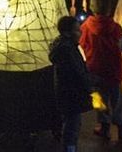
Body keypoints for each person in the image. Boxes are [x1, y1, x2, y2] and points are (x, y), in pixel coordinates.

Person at [80, 0, 122, 140]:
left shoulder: (85, 27)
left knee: (99, 99)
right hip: (113, 69)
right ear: (109, 9)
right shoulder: (115, 27)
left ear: (92, 8)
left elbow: (82, 44)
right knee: (117, 100)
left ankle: (104, 126)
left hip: (94, 69)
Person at [50, 16, 93, 152]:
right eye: (77, 30)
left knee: (71, 124)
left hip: (66, 93)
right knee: (72, 127)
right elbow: (78, 72)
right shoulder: (68, 50)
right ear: (68, 32)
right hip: (72, 94)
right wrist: (89, 86)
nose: (80, 32)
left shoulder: (62, 47)